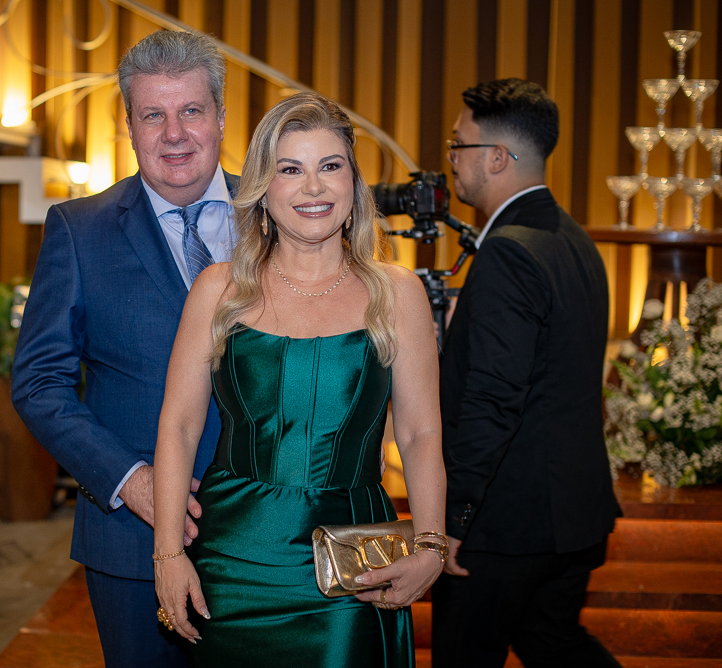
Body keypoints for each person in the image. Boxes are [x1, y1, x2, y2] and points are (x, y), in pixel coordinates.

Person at [152, 92, 447, 667]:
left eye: (330, 166)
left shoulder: (398, 293)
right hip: (229, 562)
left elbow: (419, 433)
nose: (313, 187)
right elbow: (179, 427)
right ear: (263, 189)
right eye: (290, 169)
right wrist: (168, 553)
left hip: (349, 564)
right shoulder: (218, 290)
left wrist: (432, 545)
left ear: (354, 184)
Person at [11, 31, 237, 667]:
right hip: (134, 542)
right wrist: (130, 480)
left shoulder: (276, 215)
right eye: (152, 115)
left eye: (191, 110)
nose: (174, 134)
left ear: (221, 117)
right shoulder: (79, 230)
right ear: (130, 127)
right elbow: (38, 383)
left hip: (268, 539)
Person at [432, 78, 622, 668]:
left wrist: (454, 518)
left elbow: (493, 399)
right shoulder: (575, 240)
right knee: (554, 644)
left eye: (458, 145)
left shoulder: (509, 251)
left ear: (496, 157)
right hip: (572, 515)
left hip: (505, 524)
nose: (450, 159)